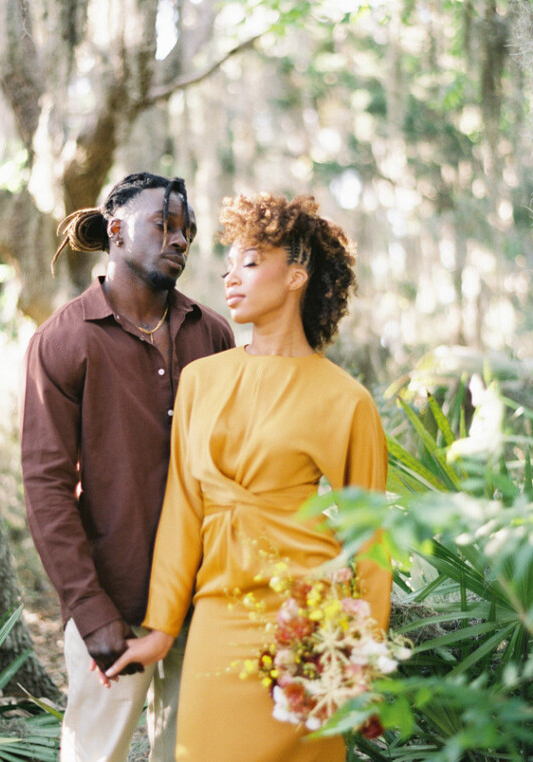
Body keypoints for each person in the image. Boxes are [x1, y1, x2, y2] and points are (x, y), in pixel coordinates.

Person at [106, 192, 392, 761]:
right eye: (229, 262)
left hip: (308, 627)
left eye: (251, 261)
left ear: (297, 275)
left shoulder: (347, 400)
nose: (230, 274)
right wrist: (162, 627)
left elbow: (370, 544)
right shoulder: (201, 380)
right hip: (217, 619)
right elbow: (184, 509)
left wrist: (363, 661)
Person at [20, 172, 235, 762]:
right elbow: (46, 485)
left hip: (205, 598)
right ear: (115, 231)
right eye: (162, 225)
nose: (179, 240)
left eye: (186, 231)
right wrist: (90, 612)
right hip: (114, 602)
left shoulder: (213, 333)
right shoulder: (64, 340)